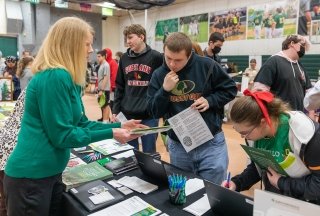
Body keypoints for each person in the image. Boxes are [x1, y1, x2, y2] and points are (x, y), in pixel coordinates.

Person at [3, 17, 145, 216]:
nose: (90, 50)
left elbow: (81, 123)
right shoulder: (54, 77)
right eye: (87, 44)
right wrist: (113, 133)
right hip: (32, 177)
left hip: (48, 173)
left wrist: (120, 126)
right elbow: (63, 135)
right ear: (70, 44)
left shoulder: (67, 78)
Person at [147, 32, 237, 183]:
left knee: (213, 192)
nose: (172, 64)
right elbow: (154, 111)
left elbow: (230, 89)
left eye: (178, 60)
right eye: (168, 58)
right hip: (179, 145)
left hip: (211, 144)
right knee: (185, 194)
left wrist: (210, 100)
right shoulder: (159, 74)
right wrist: (164, 90)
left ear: (189, 55)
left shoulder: (207, 65)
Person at [223, 89, 320, 205]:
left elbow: (317, 185)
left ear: (262, 122)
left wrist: (281, 182)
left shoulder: (306, 135)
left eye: (244, 132)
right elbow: (259, 167)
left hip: (305, 203)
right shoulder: (254, 136)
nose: (243, 137)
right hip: (274, 200)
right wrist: (236, 183)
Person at [112, 24, 163, 153]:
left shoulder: (156, 57)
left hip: (149, 115)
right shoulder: (124, 58)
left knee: (149, 152)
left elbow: (163, 84)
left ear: (141, 37)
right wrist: (116, 109)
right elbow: (119, 85)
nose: (128, 41)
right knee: (131, 152)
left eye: (130, 37)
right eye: (126, 38)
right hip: (128, 115)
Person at [253, 34, 312, 111]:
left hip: (298, 117)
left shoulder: (300, 66)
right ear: (292, 44)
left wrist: (311, 116)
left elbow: (309, 93)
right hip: (279, 116)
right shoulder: (273, 62)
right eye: (302, 45)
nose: (304, 49)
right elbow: (259, 91)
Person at [0, 89, 26, 216]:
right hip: (12, 148)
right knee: (10, 202)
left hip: (5, 145)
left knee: (5, 199)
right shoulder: (43, 88)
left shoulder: (33, 85)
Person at [96, 49, 111, 122]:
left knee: (105, 106)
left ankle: (105, 122)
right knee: (102, 105)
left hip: (105, 89)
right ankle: (104, 120)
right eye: (97, 56)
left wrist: (102, 90)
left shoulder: (106, 65)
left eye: (99, 56)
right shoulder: (101, 65)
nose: (97, 58)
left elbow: (106, 78)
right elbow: (100, 78)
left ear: (104, 56)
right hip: (101, 88)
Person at [104, 48, 118, 112]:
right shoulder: (105, 62)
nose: (105, 55)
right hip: (106, 87)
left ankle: (114, 118)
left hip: (111, 87)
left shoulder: (113, 62)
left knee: (112, 103)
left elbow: (114, 75)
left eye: (106, 53)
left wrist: (112, 86)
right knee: (106, 103)